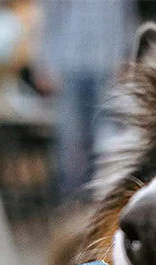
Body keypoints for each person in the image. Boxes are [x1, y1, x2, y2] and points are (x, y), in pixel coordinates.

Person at [38, 0, 138, 203]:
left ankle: (98, 205)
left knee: (106, 141)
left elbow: (127, 21)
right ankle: (71, 205)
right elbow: (48, 21)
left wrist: (127, 60)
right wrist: (45, 65)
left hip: (107, 68)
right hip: (69, 67)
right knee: (72, 141)